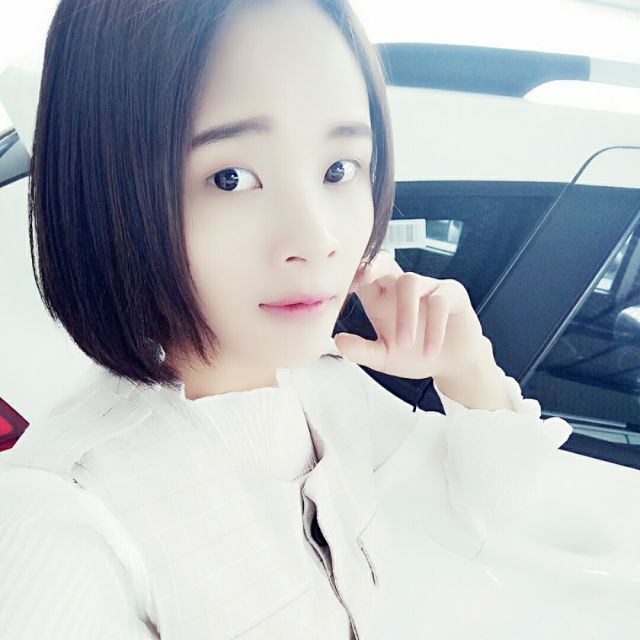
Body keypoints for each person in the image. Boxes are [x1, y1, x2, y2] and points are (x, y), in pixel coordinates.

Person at [0, 0, 572, 638]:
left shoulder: (321, 390)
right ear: (105, 196)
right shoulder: (67, 520)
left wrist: (466, 366)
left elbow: (484, 507)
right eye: (230, 177)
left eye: (338, 169)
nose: (318, 239)